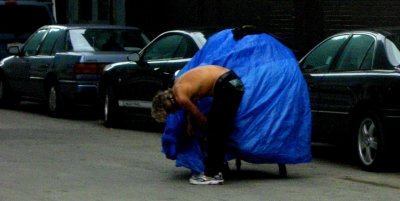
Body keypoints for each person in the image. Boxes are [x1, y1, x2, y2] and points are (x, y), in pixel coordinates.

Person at [152, 65, 244, 185]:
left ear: (168, 104)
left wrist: (204, 128)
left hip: (226, 85)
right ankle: (218, 167)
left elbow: (199, 117)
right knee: (219, 128)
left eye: (171, 111)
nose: (174, 112)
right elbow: (191, 107)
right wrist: (190, 124)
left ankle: (212, 174)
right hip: (232, 81)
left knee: (214, 131)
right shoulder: (178, 86)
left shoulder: (180, 98)